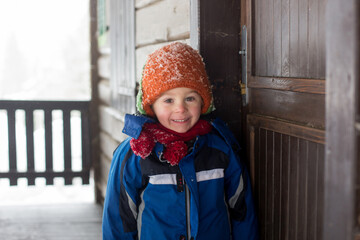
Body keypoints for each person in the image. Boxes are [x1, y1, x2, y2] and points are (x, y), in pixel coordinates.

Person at [102, 42, 258, 240]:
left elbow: (242, 210)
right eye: (168, 100)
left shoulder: (220, 148)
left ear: (203, 102)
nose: (181, 109)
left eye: (190, 98)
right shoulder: (135, 153)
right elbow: (119, 218)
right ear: (151, 106)